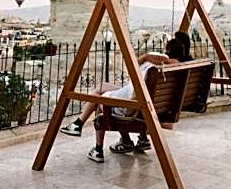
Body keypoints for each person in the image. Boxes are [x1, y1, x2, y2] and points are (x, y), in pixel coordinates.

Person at [60, 35, 189, 162]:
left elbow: (133, 68)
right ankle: (80, 125)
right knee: (102, 87)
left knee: (99, 100)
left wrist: (145, 57)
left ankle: (97, 147)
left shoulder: (153, 68)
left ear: (167, 50)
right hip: (153, 105)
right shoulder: (180, 70)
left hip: (135, 106)